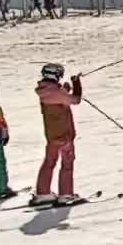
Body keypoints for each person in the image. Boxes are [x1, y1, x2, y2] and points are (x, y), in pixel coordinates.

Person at [33, 63, 84, 206]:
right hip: (64, 134)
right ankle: (66, 194)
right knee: (67, 163)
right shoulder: (58, 92)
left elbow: (59, 97)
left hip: (52, 134)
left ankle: (43, 193)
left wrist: (65, 89)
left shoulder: (44, 90)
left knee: (49, 162)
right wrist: (76, 83)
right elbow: (75, 100)